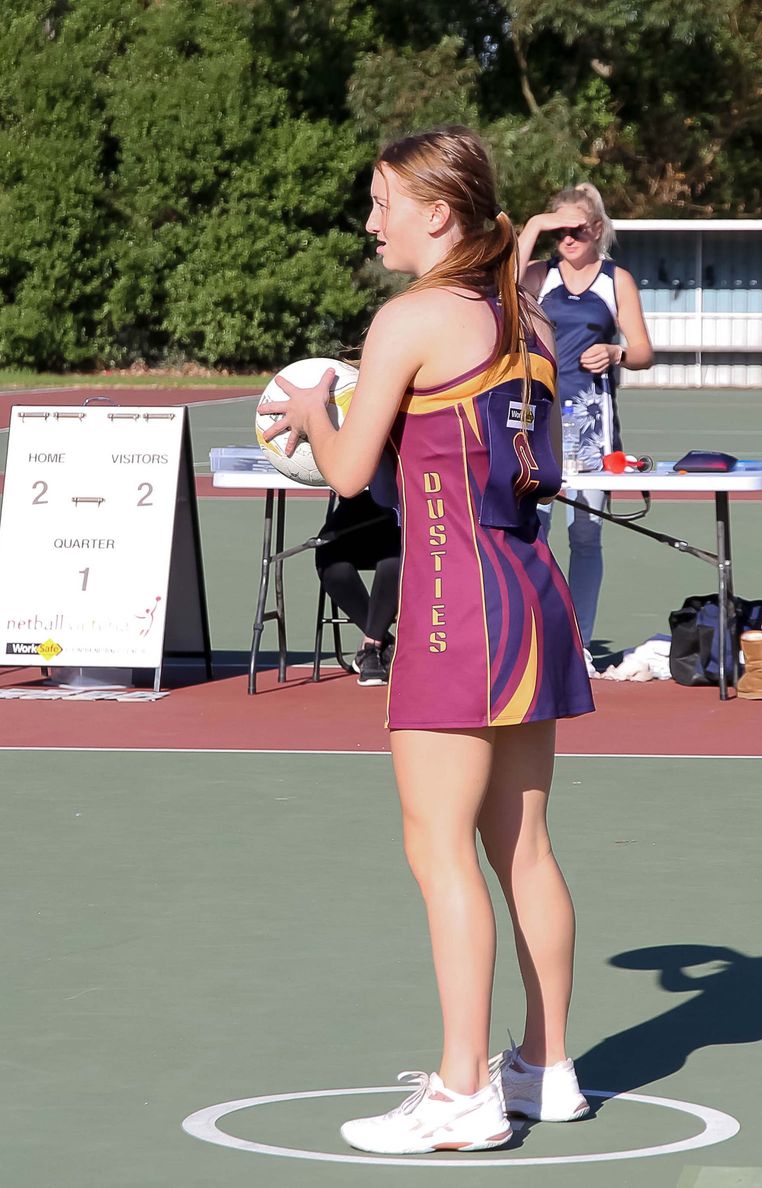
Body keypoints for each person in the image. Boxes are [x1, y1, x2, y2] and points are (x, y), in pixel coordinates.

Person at [258, 126, 595, 1156]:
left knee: (439, 847)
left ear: (436, 213)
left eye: (382, 203)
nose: (373, 223)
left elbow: (352, 473)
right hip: (529, 589)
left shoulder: (410, 318)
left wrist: (313, 409)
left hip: (456, 602)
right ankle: (547, 1069)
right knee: (524, 849)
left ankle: (463, 1093)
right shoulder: (524, 314)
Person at [517, 184, 653, 673]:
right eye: (558, 230)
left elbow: (642, 351)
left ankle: (579, 641)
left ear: (597, 230)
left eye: (576, 228)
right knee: (534, 530)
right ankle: (537, 635)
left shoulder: (616, 280)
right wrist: (532, 229)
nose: (567, 238)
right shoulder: (537, 275)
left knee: (587, 534)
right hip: (537, 418)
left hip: (594, 422)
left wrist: (617, 353)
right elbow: (495, 296)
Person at [314, 490, 400, 686]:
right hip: (356, 507)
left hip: (405, 512)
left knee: (394, 562)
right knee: (330, 561)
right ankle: (384, 642)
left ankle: (371, 646)